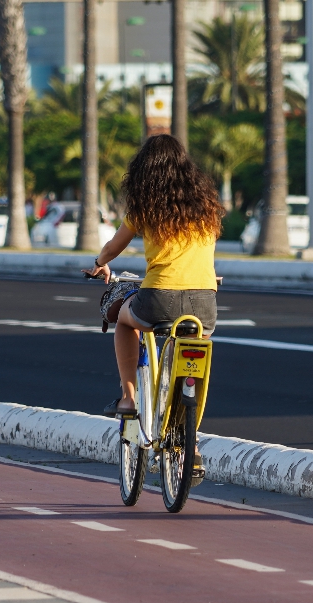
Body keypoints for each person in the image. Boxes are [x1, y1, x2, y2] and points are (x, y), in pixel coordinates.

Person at [81, 134, 224, 416]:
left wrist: (99, 263)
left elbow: (112, 248)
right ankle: (188, 425)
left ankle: (128, 398)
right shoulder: (207, 206)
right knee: (199, 347)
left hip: (158, 298)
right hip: (204, 301)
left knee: (124, 322)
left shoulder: (145, 207)